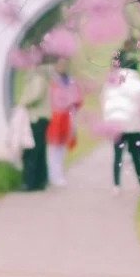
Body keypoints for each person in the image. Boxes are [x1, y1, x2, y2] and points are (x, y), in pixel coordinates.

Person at [101, 56, 140, 191]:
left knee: (117, 155)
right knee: (136, 155)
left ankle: (116, 185)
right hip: (133, 124)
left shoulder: (111, 83)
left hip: (115, 123)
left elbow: (104, 100)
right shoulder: (139, 84)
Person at [45, 58, 82, 188]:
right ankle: (53, 175)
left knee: (62, 147)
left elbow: (77, 99)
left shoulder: (70, 81)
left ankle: (58, 174)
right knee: (53, 148)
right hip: (55, 117)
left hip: (67, 117)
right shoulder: (51, 81)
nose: (61, 67)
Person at [18, 62, 50, 191]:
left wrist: (22, 103)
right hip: (40, 117)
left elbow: (35, 94)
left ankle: (30, 182)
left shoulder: (37, 77)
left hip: (36, 117)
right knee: (39, 150)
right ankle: (40, 181)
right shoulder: (40, 76)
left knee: (32, 151)